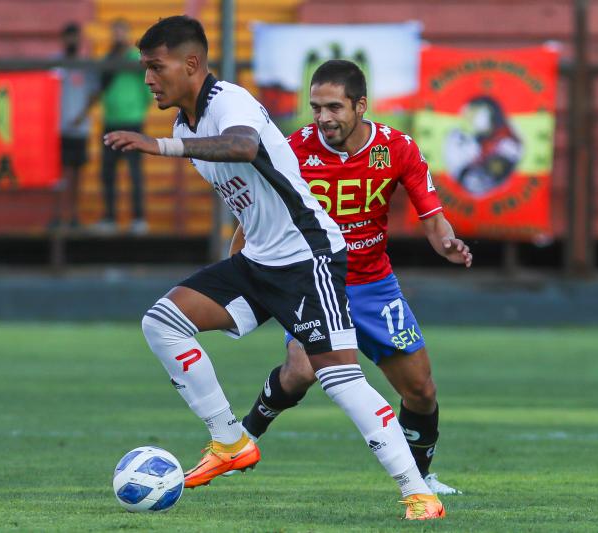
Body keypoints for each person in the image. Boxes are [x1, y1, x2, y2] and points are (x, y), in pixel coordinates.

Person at [103, 16, 445, 520]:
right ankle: (229, 440)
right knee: (162, 321)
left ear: (191, 64)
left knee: (338, 379)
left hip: (309, 257)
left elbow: (244, 145)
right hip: (257, 260)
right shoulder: (185, 123)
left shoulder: (229, 102)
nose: (149, 78)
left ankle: (420, 494)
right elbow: (251, 198)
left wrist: (159, 147)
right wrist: (234, 256)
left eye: (156, 67)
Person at [235, 59, 472, 496]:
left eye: (333, 107)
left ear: (360, 106)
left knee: (420, 390)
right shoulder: (294, 151)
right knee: (301, 370)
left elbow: (433, 218)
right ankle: (240, 440)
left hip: (374, 285)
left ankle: (421, 479)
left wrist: (448, 244)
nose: (322, 118)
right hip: (313, 282)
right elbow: (256, 219)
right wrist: (240, 275)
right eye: (315, 107)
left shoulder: (396, 148)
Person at [94, 19, 153, 234]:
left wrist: (139, 107)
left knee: (134, 172)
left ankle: (138, 218)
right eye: (115, 32)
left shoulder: (135, 59)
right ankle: (110, 218)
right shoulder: (108, 58)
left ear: (127, 34)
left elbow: (148, 83)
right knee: (107, 172)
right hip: (110, 121)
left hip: (132, 121)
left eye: (121, 32)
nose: (117, 36)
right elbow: (100, 88)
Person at [53, 22, 98, 228]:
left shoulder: (86, 66)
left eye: (75, 37)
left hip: (79, 129)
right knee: (57, 176)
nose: (72, 41)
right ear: (63, 40)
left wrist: (82, 115)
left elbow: (94, 92)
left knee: (77, 176)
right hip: (56, 129)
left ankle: (73, 217)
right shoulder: (54, 64)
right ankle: (57, 217)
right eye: (68, 37)